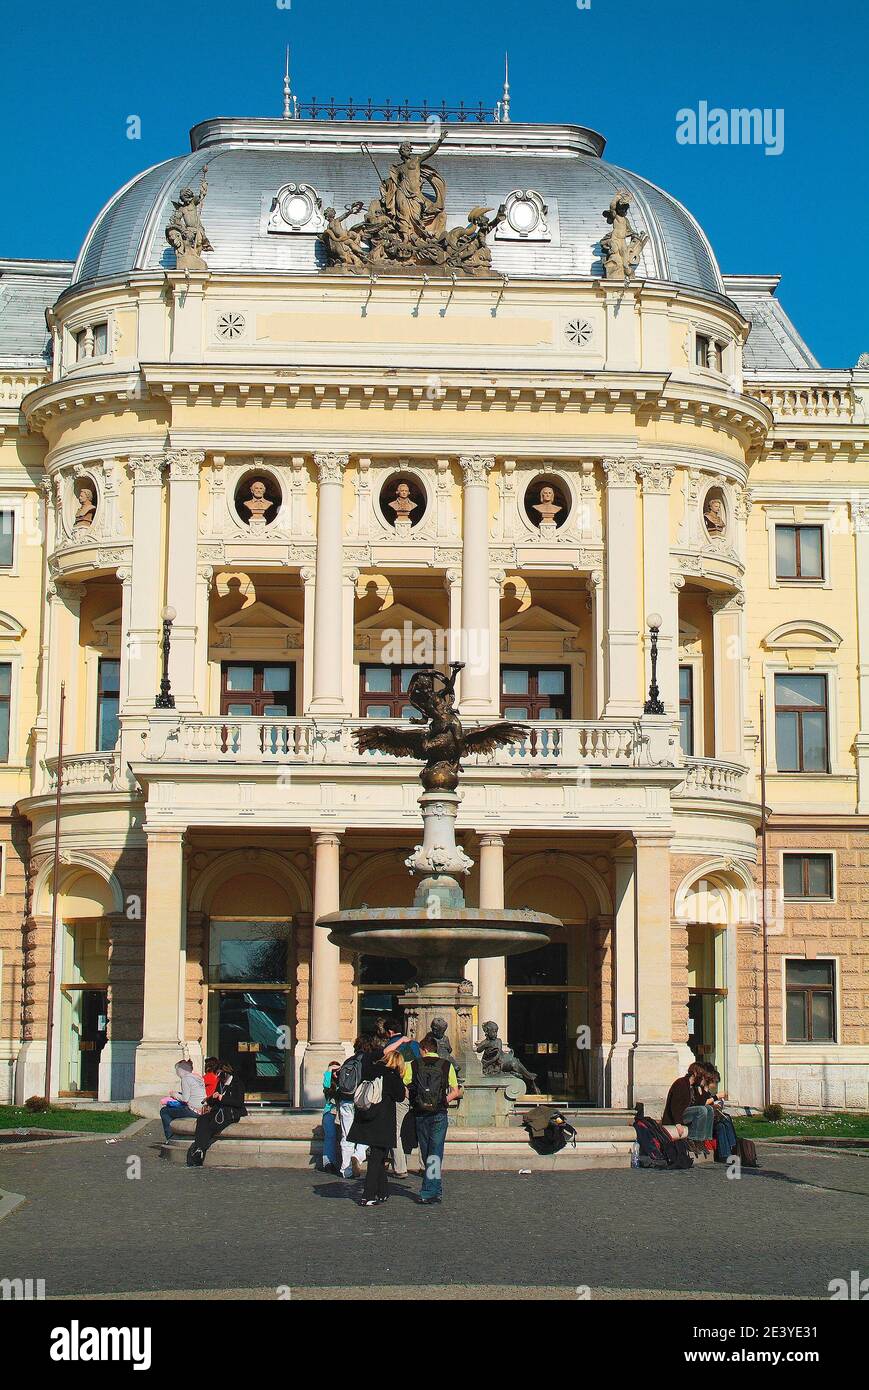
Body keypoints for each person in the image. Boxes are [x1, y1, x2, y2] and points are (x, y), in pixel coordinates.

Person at [404, 1031, 462, 1205]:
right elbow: (455, 1090)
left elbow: (405, 1087)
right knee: (435, 1152)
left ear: (423, 1049)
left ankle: (431, 1189)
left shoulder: (413, 1064)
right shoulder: (446, 1065)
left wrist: (415, 1100)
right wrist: (443, 1101)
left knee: (426, 1151)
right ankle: (431, 1189)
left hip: (421, 1113)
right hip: (439, 1113)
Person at [347, 1047, 407, 1207]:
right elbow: (400, 1096)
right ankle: (367, 1196)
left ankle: (383, 1191)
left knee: (378, 1156)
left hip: (365, 1118)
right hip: (381, 1122)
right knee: (376, 1159)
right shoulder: (392, 1075)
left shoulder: (370, 1069)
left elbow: (367, 1056)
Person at [377, 1016, 420, 1178]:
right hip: (416, 1091)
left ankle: (400, 1167)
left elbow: (384, 1054)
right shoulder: (415, 1045)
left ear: (389, 1032)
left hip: (399, 1093)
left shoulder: (391, 1046)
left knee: (394, 1131)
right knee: (421, 1130)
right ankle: (426, 1167)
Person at [186, 1061, 247, 1167]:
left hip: (230, 1112)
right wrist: (211, 1099)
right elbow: (215, 1098)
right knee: (202, 1120)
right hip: (218, 1110)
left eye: (220, 1074)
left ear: (226, 1073)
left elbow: (238, 1102)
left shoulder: (237, 1083)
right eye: (217, 1074)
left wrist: (221, 1098)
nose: (218, 1076)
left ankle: (200, 1149)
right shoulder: (220, 1083)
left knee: (212, 1125)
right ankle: (199, 1149)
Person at [336, 1035, 373, 1179]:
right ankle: (358, 1155)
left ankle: (345, 1169)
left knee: (346, 1135)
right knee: (367, 1131)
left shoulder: (348, 1060)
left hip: (345, 1100)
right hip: (361, 1101)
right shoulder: (368, 1062)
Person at [662, 1061, 715, 1157]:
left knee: (709, 1109)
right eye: (702, 1075)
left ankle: (703, 1140)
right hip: (678, 1115)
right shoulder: (681, 1083)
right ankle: (692, 1138)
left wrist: (704, 1089)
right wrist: (677, 1123)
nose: (703, 1078)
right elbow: (675, 1105)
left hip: (688, 1114)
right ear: (695, 1073)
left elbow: (701, 1103)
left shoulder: (695, 1087)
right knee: (702, 1110)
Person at [160, 1059, 206, 1143]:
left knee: (164, 1111)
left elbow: (185, 1099)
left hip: (192, 1110)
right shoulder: (198, 1078)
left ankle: (170, 1137)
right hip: (202, 1109)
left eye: (176, 1071)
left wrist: (174, 1094)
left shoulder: (185, 1079)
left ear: (180, 1070)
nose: (177, 1074)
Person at [321, 1059, 342, 1174]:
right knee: (330, 1136)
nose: (336, 1073)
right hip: (330, 1111)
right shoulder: (329, 1083)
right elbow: (326, 1086)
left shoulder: (344, 1081)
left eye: (337, 1070)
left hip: (343, 1112)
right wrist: (329, 1071)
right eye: (334, 1071)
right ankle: (328, 1163)